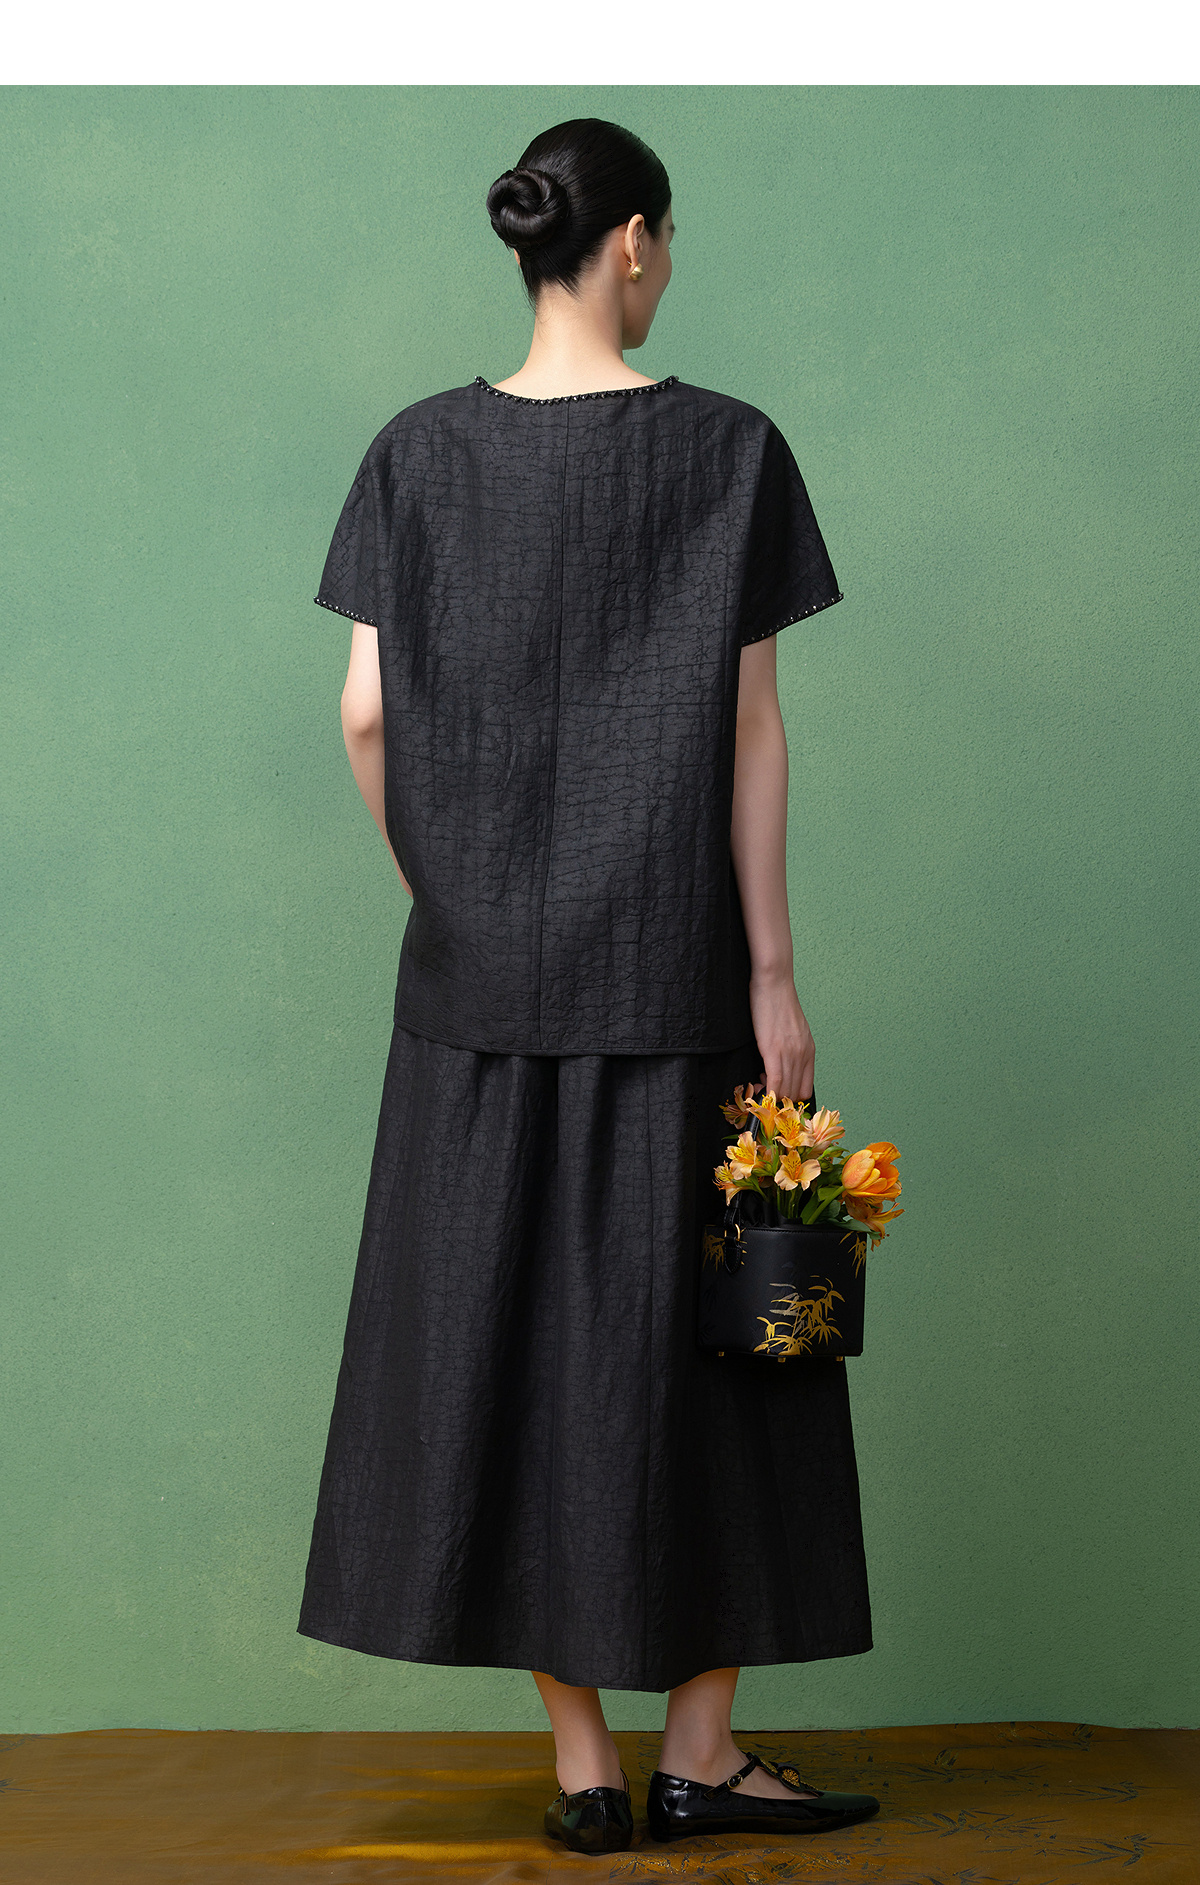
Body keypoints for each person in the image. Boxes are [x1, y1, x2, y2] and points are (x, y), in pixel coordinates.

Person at [298, 116, 877, 1854]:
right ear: (630, 244)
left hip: (476, 991)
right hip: (677, 973)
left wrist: (449, 890)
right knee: (718, 1348)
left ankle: (586, 1773)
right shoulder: (730, 449)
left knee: (508, 1347)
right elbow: (751, 726)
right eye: (667, 239)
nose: (667, 263)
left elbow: (365, 714)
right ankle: (706, 1749)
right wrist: (775, 972)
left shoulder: (416, 452)